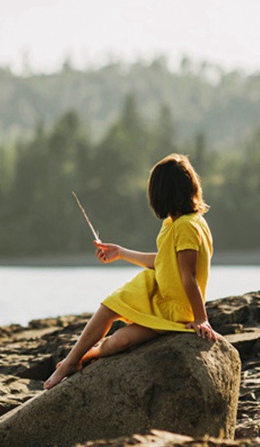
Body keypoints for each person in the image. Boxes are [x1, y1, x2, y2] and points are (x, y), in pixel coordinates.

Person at [44, 153, 218, 390]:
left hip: (175, 309)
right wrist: (121, 252)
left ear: (161, 194)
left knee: (119, 342)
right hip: (158, 294)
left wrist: (201, 318)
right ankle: (72, 362)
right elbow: (164, 262)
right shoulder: (174, 223)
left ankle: (80, 357)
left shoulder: (188, 226)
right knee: (110, 308)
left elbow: (188, 276)